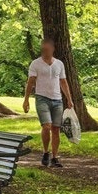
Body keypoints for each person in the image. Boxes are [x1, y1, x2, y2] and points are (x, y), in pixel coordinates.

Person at [23, 38, 73, 168]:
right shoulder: (35, 64)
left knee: (56, 129)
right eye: (43, 49)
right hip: (42, 98)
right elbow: (30, 82)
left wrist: (69, 99)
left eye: (48, 49)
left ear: (52, 49)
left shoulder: (59, 64)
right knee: (46, 126)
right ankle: (46, 152)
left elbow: (63, 82)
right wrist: (26, 99)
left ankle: (55, 158)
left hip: (57, 100)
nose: (45, 51)